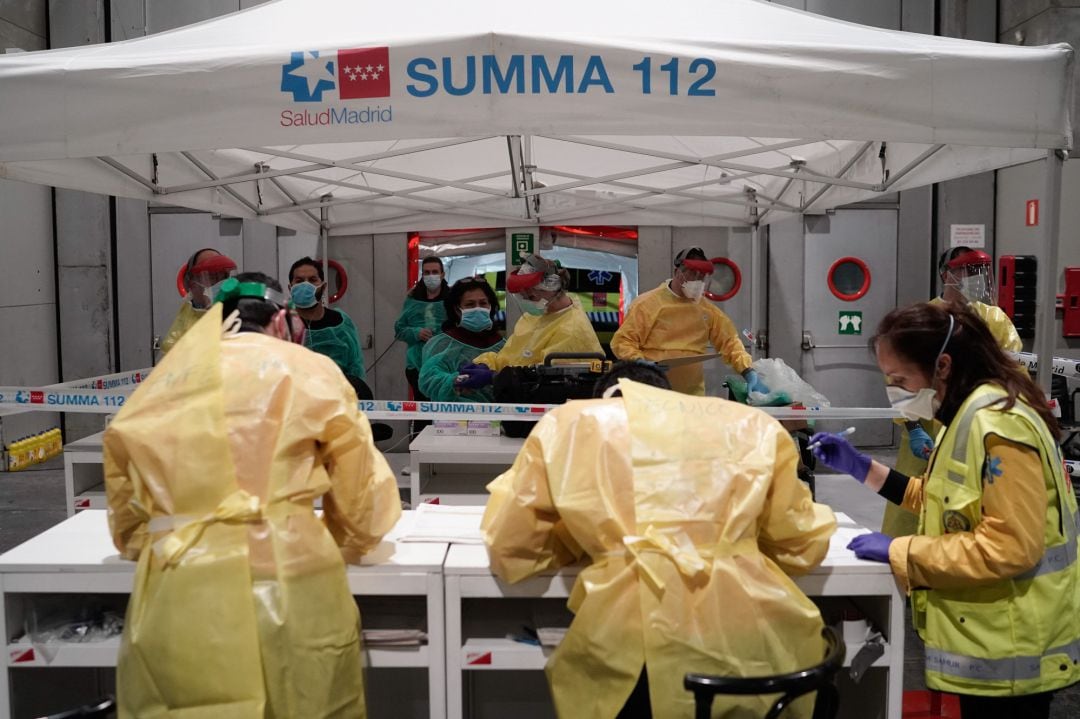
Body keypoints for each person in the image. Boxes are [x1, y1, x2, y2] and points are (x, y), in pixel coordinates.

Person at [103, 272, 401, 718]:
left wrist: (149, 542)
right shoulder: (310, 370)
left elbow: (126, 511)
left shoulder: (165, 379)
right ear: (282, 321)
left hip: (179, 588)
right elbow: (361, 496)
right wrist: (354, 541)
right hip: (291, 584)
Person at [482, 376, 836, 718]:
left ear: (606, 398)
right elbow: (801, 545)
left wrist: (583, 539)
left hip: (630, 654)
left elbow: (512, 549)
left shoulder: (570, 424)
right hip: (751, 650)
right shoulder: (753, 425)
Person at [811, 301, 1080, 719]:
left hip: (1016, 646)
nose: (894, 391)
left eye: (899, 379)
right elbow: (943, 500)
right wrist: (862, 468)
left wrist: (902, 551)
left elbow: (1011, 546)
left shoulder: (998, 426)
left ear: (943, 366)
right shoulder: (966, 415)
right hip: (994, 640)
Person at [883, 248, 1023, 537]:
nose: (974, 279)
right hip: (928, 426)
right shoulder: (926, 319)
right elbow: (899, 379)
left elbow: (1015, 370)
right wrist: (913, 427)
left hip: (979, 426)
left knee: (969, 504)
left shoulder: (993, 319)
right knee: (911, 508)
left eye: (979, 271)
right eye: (967, 271)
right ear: (947, 275)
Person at [610, 246, 767, 396]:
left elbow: (730, 342)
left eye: (702, 275)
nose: (698, 280)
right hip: (651, 390)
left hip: (691, 396)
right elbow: (622, 341)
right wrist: (639, 362)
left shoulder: (707, 310)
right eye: (692, 273)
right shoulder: (647, 304)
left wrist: (748, 371)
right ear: (677, 272)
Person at [456, 253, 603, 392]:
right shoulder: (534, 317)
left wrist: (494, 378)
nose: (526, 302)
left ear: (553, 290)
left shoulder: (571, 330)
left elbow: (546, 380)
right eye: (522, 297)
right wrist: (486, 364)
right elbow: (511, 358)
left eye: (531, 297)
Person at [418, 276, 505, 402]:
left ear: (491, 306)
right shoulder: (442, 344)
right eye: (470, 304)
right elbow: (429, 380)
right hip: (454, 418)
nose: (478, 308)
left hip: (499, 418)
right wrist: (456, 381)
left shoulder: (503, 345)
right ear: (456, 309)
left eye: (483, 303)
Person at [288, 256, 368, 387]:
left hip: (337, 399)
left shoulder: (341, 323)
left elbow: (355, 367)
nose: (306, 285)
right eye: (299, 281)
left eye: (313, 280)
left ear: (323, 287)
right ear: (290, 288)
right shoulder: (282, 324)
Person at [160, 247, 236, 355]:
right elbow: (169, 357)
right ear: (192, 284)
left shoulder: (239, 314)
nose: (220, 283)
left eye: (222, 276)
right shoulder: (186, 317)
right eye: (211, 276)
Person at [395, 256, 449, 403]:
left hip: (445, 366)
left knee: (443, 410)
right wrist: (416, 333)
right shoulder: (412, 299)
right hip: (416, 366)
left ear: (443, 274)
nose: (431, 276)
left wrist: (440, 337)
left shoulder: (452, 299)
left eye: (434, 272)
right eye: (426, 272)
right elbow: (399, 330)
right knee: (422, 410)